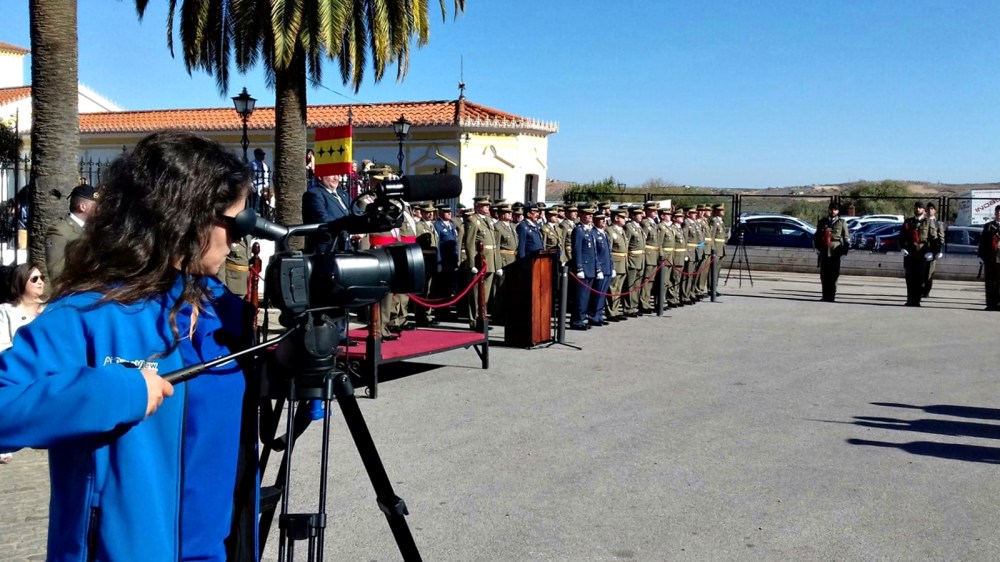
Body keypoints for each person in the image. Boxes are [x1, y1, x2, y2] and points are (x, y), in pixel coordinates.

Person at [0, 131, 257, 561]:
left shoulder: (224, 312)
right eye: (233, 222)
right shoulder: (86, 313)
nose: (238, 238)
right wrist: (115, 392)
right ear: (183, 219)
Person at [0, 263, 46, 464]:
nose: (40, 282)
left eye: (41, 277)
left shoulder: (51, 309)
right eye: (34, 279)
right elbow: (3, 344)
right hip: (20, 369)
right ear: (21, 282)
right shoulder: (7, 311)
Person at [46, 182, 98, 282]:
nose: (99, 209)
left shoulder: (94, 229)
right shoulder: (60, 231)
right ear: (82, 207)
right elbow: (56, 273)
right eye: (95, 206)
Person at [899, 201, 941, 307]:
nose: (918, 209)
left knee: (919, 278)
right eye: (916, 207)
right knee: (909, 278)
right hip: (910, 253)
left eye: (920, 208)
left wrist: (933, 251)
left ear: (923, 210)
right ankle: (910, 300)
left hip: (922, 253)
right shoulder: (908, 221)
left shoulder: (928, 222)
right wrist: (902, 248)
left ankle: (916, 301)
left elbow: (934, 238)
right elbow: (901, 237)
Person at [569, 206, 601, 330]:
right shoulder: (579, 230)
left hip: (591, 268)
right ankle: (577, 320)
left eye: (591, 215)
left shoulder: (589, 230)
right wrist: (579, 268)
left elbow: (594, 252)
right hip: (584, 267)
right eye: (587, 214)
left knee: (586, 296)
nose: (590, 216)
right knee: (580, 296)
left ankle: (582, 318)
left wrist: (597, 268)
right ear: (581, 215)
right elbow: (577, 250)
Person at [814, 201, 850, 302]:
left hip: (836, 251)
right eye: (831, 209)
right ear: (828, 210)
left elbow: (846, 239)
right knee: (824, 275)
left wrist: (844, 253)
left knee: (833, 275)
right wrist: (817, 248)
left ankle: (831, 296)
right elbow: (816, 237)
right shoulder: (822, 222)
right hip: (824, 251)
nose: (833, 211)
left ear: (838, 211)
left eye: (835, 210)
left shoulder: (842, 223)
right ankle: (825, 296)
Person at [978, 205, 1000, 311]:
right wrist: (981, 256)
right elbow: (983, 242)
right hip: (990, 258)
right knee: (990, 282)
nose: (999, 213)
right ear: (995, 213)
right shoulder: (988, 226)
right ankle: (991, 304)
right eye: (997, 211)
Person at [923, 202, 946, 298]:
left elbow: (941, 238)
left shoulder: (938, 223)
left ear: (935, 211)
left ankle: (926, 291)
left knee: (929, 272)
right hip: (922, 250)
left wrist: (939, 250)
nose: (929, 210)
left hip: (932, 251)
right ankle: (919, 289)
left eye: (932, 208)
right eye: (928, 208)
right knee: (920, 271)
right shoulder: (922, 222)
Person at [250, 147, 271, 214]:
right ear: (256, 155)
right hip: (255, 188)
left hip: (264, 189)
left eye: (263, 154)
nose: (263, 156)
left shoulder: (265, 166)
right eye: (261, 154)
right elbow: (249, 176)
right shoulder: (251, 164)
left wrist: (266, 187)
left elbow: (266, 177)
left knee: (264, 207)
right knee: (255, 206)